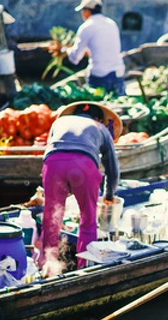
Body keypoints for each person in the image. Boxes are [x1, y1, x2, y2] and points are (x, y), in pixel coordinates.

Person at [38, 101, 121, 276]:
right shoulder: (101, 127)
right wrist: (109, 194)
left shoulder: (59, 122)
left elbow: (53, 149)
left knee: (51, 218)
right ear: (99, 118)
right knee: (88, 219)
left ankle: (46, 267)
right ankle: (84, 268)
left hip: (53, 165)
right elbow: (112, 170)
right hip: (83, 166)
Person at [49, 0, 126, 96]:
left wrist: (64, 50)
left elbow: (75, 58)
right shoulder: (111, 23)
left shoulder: (86, 27)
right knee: (119, 105)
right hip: (118, 72)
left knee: (97, 108)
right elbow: (102, 49)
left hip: (100, 76)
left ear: (87, 11)